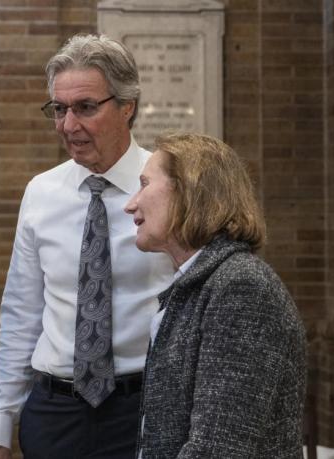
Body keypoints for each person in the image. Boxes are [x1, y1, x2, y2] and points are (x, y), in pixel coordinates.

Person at [0, 34, 174, 459]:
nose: (69, 125)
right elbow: (22, 312)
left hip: (144, 408)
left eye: (86, 107)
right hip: (55, 414)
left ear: (127, 106)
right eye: (59, 109)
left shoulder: (169, 187)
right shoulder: (41, 193)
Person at [124, 132, 307, 458]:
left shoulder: (241, 287)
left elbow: (218, 448)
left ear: (189, 190)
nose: (131, 204)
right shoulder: (198, 284)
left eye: (144, 184)